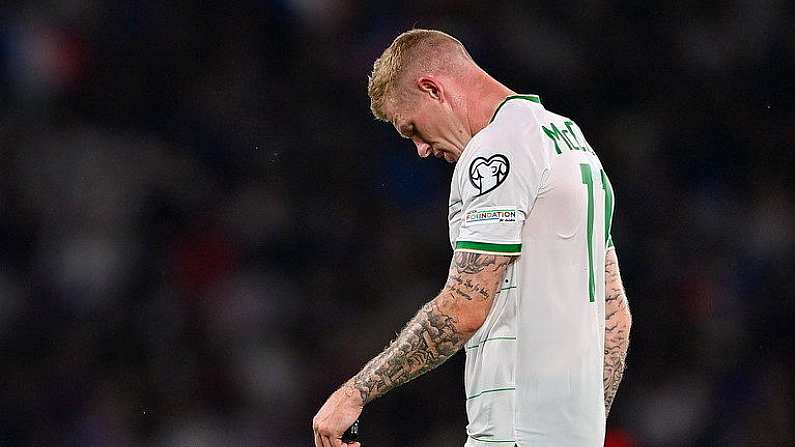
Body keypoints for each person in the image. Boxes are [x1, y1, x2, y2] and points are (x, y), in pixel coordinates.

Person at [312, 29, 632, 447]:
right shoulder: (572, 140)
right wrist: (580, 427)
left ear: (432, 89)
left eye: (412, 129)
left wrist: (354, 393)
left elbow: (464, 305)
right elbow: (616, 318)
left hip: (513, 434)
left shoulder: (497, 150)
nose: (421, 150)